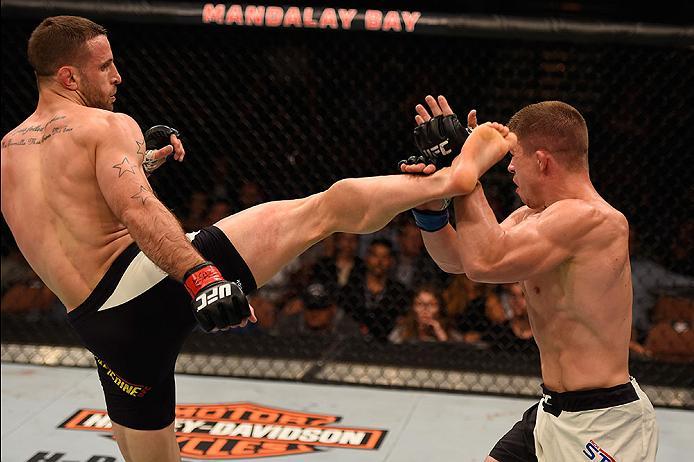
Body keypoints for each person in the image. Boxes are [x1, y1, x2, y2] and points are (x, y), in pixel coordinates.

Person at [0, 17, 513, 461]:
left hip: (101, 330)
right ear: (69, 75)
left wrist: (142, 162)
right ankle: (452, 179)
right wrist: (202, 278)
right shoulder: (104, 125)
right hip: (148, 285)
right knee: (321, 210)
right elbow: (136, 209)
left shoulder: (9, 151)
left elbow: (77, 213)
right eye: (105, 65)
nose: (118, 75)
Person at [402, 95, 658, 461]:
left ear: (541, 160)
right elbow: (459, 261)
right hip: (551, 411)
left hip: (605, 423)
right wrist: (431, 206)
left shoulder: (595, 220)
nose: (509, 171)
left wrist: (464, 166)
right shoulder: (530, 217)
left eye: (512, 162)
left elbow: (485, 263)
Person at [388, 283, 463, 344]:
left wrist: (441, 335)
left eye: (431, 305)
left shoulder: (452, 334)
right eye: (419, 304)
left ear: (440, 308)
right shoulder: (401, 332)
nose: (425, 310)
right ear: (413, 308)